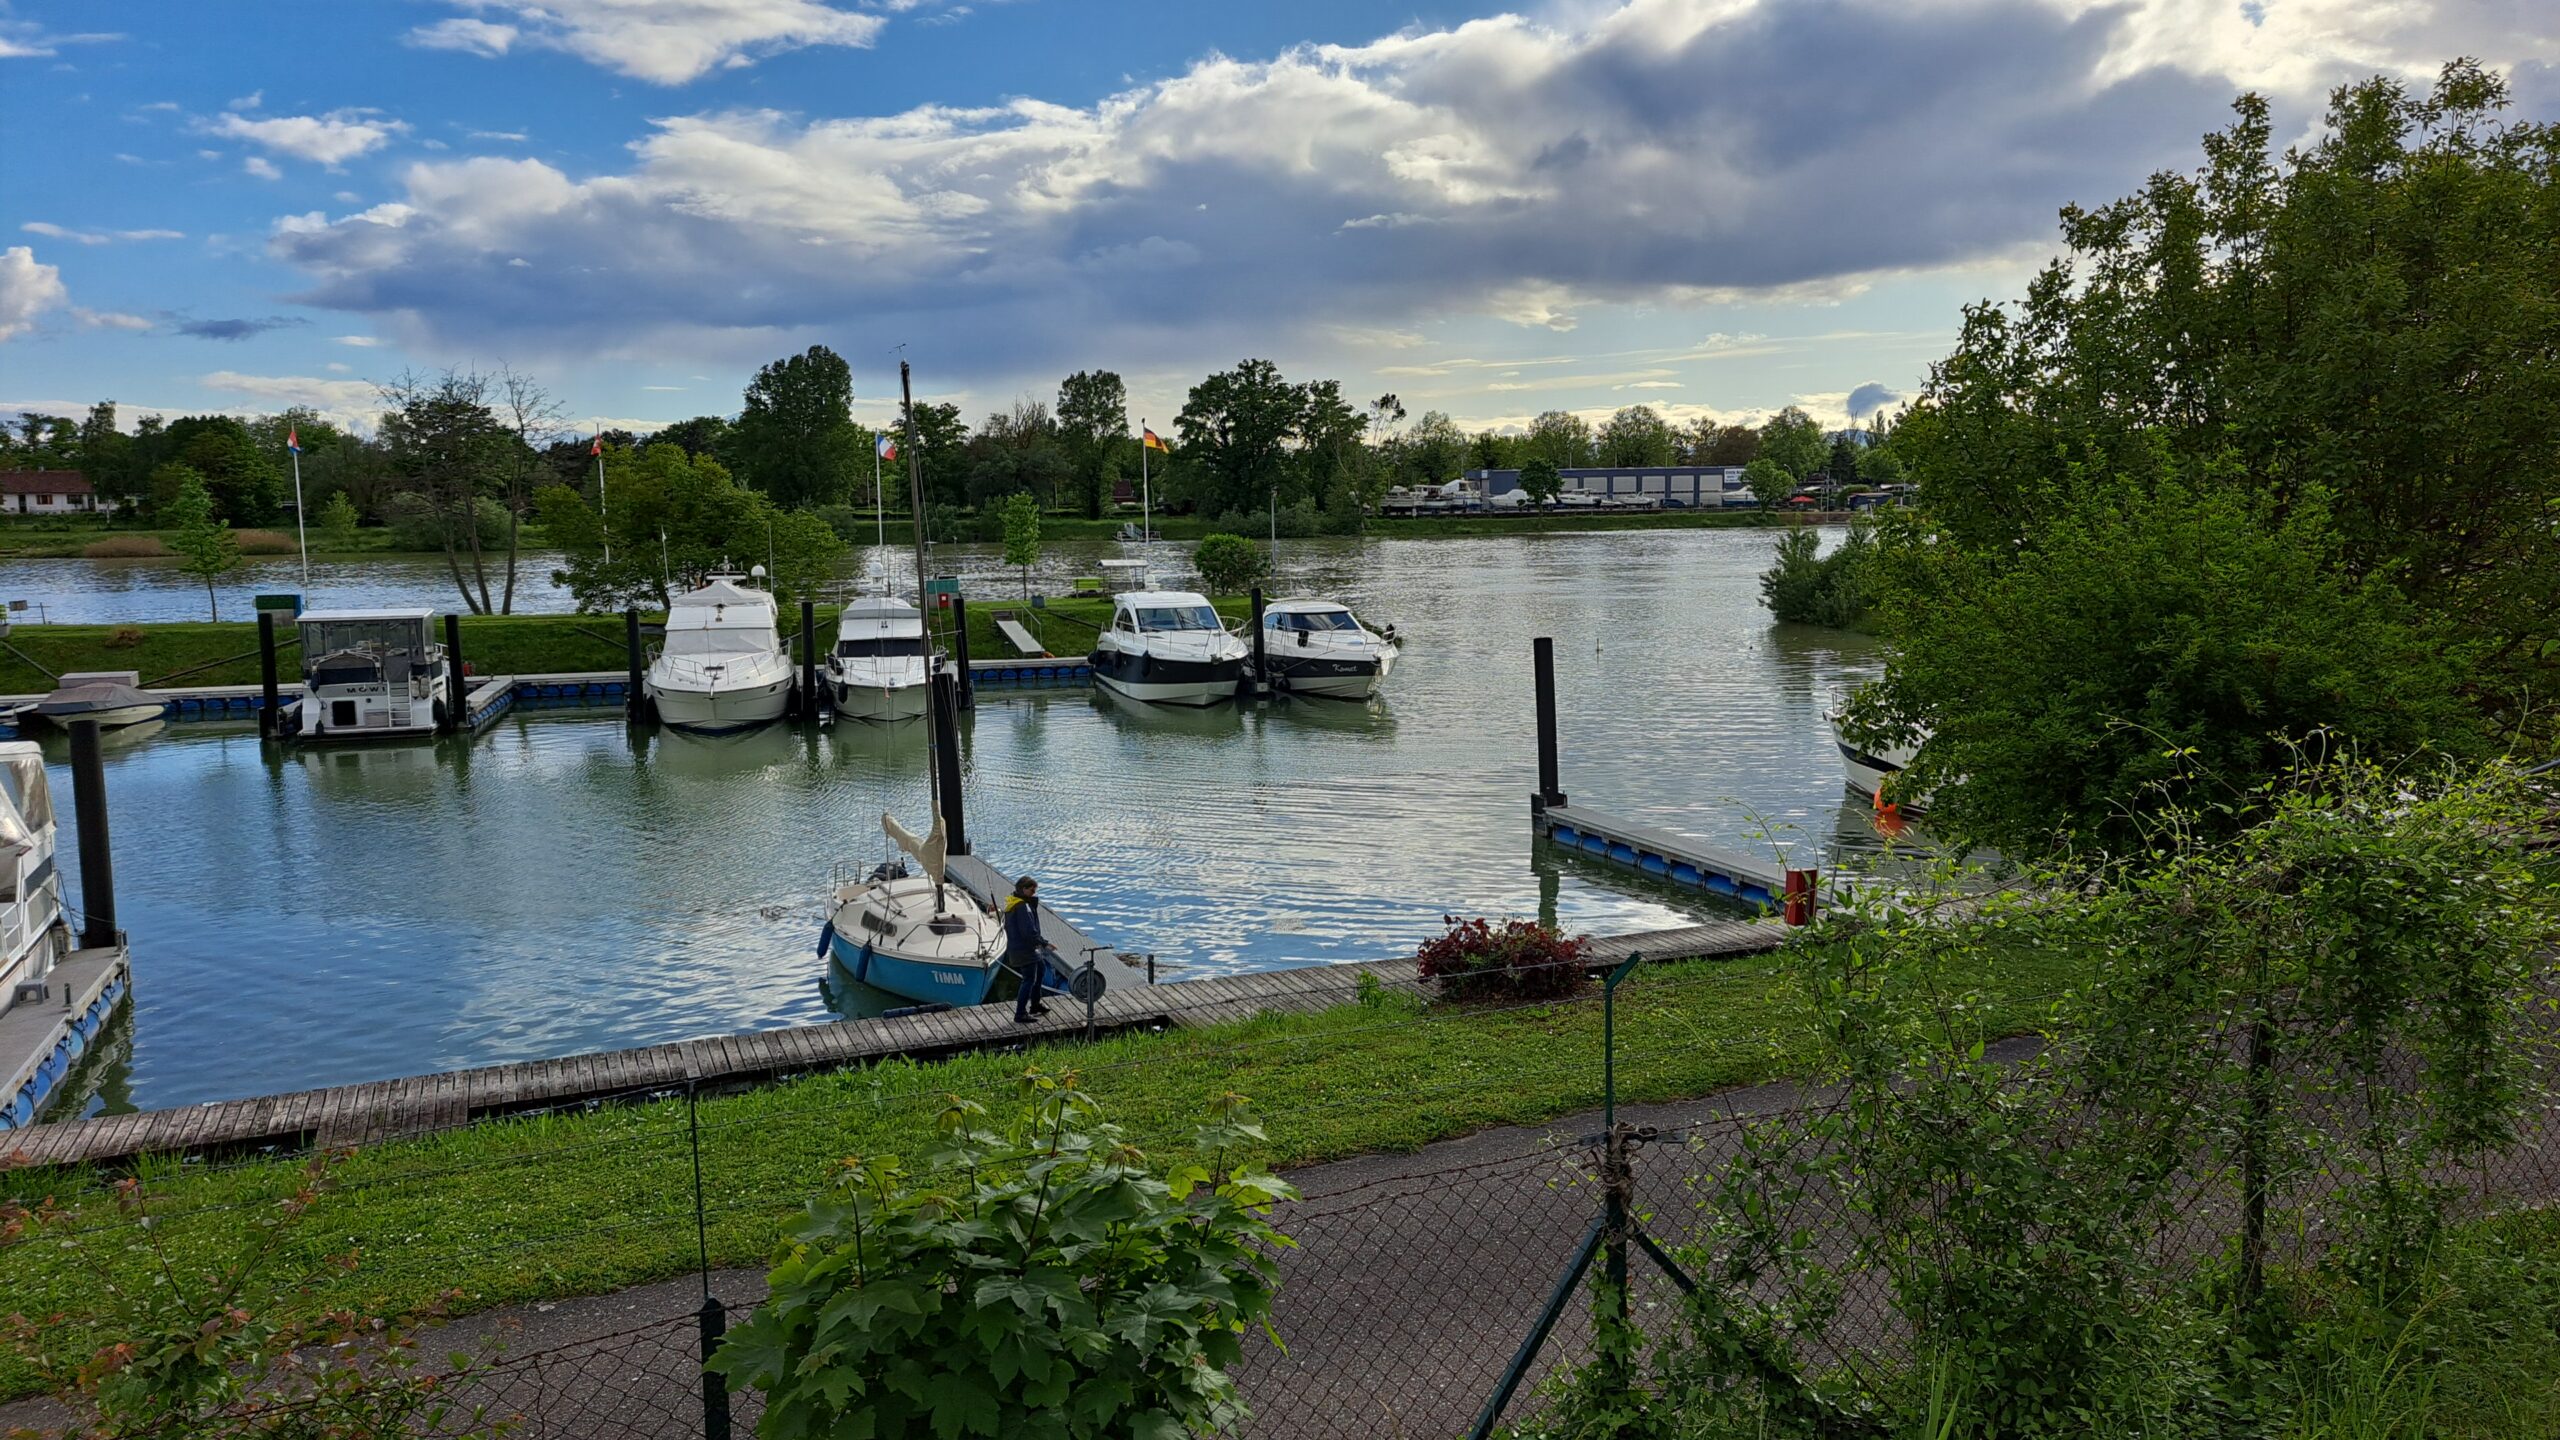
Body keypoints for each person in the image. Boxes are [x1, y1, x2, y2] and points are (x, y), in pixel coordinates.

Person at [1005, 876, 1060, 1024]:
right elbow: (1028, 931)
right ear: (1023, 889)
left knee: (1041, 969)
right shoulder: (1022, 906)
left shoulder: (1014, 903)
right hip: (1024, 949)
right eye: (1032, 890)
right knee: (1029, 979)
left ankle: (1035, 1005)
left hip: (1021, 947)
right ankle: (1020, 1013)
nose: (1034, 893)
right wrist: (1044, 943)